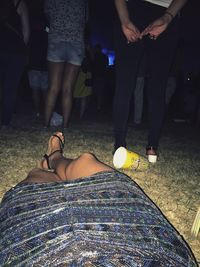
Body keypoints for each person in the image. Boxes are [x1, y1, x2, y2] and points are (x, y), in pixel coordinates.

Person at [0, 132, 198, 266]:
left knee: (36, 178)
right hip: (142, 241)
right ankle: (55, 159)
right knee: (86, 160)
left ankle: (52, 160)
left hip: (36, 245)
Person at [113, 0, 188, 161]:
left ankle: (120, 145)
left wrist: (125, 19)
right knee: (156, 87)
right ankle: (150, 147)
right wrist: (168, 17)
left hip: (139, 9)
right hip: (162, 10)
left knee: (125, 85)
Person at [44, 0, 88, 129]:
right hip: (76, 42)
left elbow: (47, 15)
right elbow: (85, 20)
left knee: (53, 87)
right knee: (68, 89)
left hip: (56, 40)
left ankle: (45, 125)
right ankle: (65, 126)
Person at [0, 0, 30, 128]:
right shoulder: (20, 4)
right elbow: (26, 32)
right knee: (10, 88)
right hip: (16, 52)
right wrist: (22, 47)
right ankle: (5, 122)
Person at [28, 13, 48, 119]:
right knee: (45, 90)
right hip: (45, 66)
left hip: (34, 65)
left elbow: (28, 49)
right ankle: (46, 111)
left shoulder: (32, 34)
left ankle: (36, 111)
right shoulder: (47, 36)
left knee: (35, 90)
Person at [92, 44, 109, 111]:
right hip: (101, 76)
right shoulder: (104, 56)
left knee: (94, 91)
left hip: (96, 76)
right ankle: (99, 105)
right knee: (100, 91)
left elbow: (92, 65)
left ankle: (95, 105)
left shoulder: (94, 56)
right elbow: (106, 65)